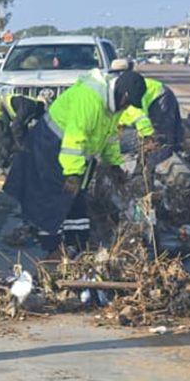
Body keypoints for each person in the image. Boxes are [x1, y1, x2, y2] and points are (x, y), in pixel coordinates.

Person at [14, 69, 154, 257]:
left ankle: (76, 243)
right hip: (51, 146)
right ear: (124, 94)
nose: (127, 108)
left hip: (71, 153)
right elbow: (75, 138)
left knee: (76, 197)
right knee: (55, 198)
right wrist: (73, 174)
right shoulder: (90, 99)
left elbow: (110, 136)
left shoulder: (113, 107)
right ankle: (52, 247)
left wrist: (113, 163)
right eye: (127, 103)